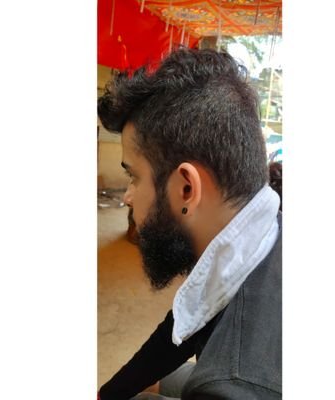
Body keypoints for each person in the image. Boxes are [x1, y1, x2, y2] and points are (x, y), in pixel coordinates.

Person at [97, 48, 282, 400]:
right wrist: (109, 393)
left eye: (134, 177)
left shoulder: (232, 387)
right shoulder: (264, 233)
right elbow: (189, 318)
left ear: (186, 189)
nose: (127, 197)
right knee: (145, 383)